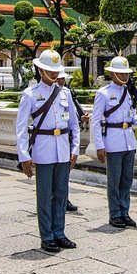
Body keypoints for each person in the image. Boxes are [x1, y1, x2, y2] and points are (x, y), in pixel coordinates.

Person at [16, 49, 80, 253]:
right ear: (40, 70)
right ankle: (47, 236)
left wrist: (75, 148)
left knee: (61, 194)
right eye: (49, 70)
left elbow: (74, 124)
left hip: (62, 148)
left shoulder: (65, 93)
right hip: (43, 149)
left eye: (56, 71)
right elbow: (20, 128)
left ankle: (59, 233)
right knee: (44, 196)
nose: (53, 74)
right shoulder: (30, 94)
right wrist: (24, 156)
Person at [91, 56, 137, 229]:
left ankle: (125, 211)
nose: (124, 77)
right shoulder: (104, 93)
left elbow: (131, 116)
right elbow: (95, 121)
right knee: (114, 180)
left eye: (126, 74)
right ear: (113, 73)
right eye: (120, 73)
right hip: (113, 140)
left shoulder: (129, 92)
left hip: (128, 140)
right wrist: (99, 145)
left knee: (126, 179)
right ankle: (115, 213)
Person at [56, 71, 89, 212]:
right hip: (54, 137)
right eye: (59, 78)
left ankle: (64, 198)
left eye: (63, 78)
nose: (61, 80)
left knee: (65, 172)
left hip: (66, 137)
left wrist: (81, 118)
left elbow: (71, 116)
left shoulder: (66, 93)